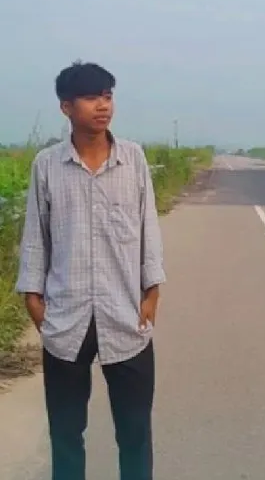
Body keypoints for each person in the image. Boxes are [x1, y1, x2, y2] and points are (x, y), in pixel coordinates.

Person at [16, 61, 165, 480]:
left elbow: (148, 228)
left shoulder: (132, 159)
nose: (103, 106)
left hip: (126, 319)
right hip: (66, 319)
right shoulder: (47, 165)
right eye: (91, 97)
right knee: (66, 434)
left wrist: (151, 294)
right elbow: (35, 236)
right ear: (66, 107)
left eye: (108, 95)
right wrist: (35, 303)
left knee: (134, 433)